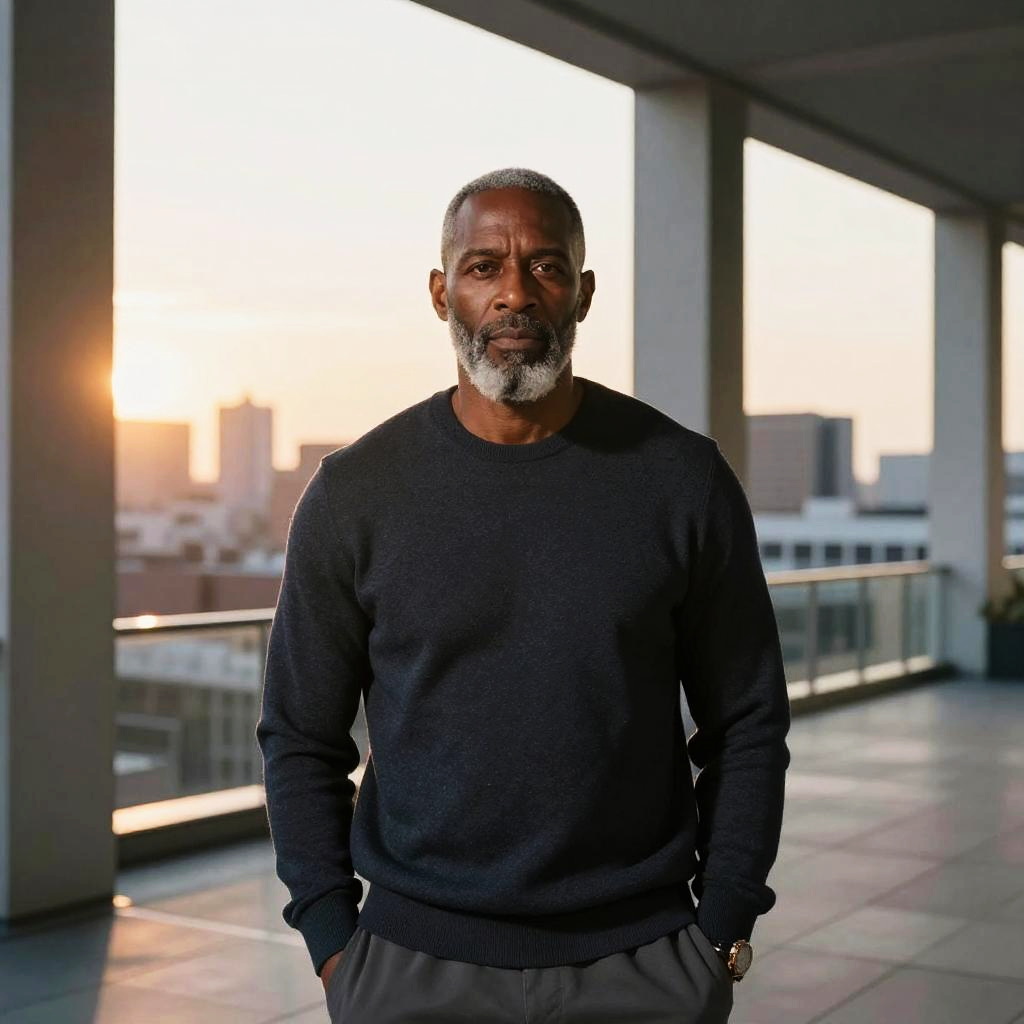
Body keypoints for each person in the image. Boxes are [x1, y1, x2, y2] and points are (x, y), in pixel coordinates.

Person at [256, 167, 791, 1023]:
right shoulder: (356, 493)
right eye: (482, 268)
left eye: (544, 267)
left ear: (581, 293)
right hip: (409, 967)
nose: (514, 293)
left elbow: (749, 720)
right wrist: (333, 942)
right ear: (441, 294)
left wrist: (722, 925)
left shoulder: (680, 479)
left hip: (644, 962)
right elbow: (298, 734)